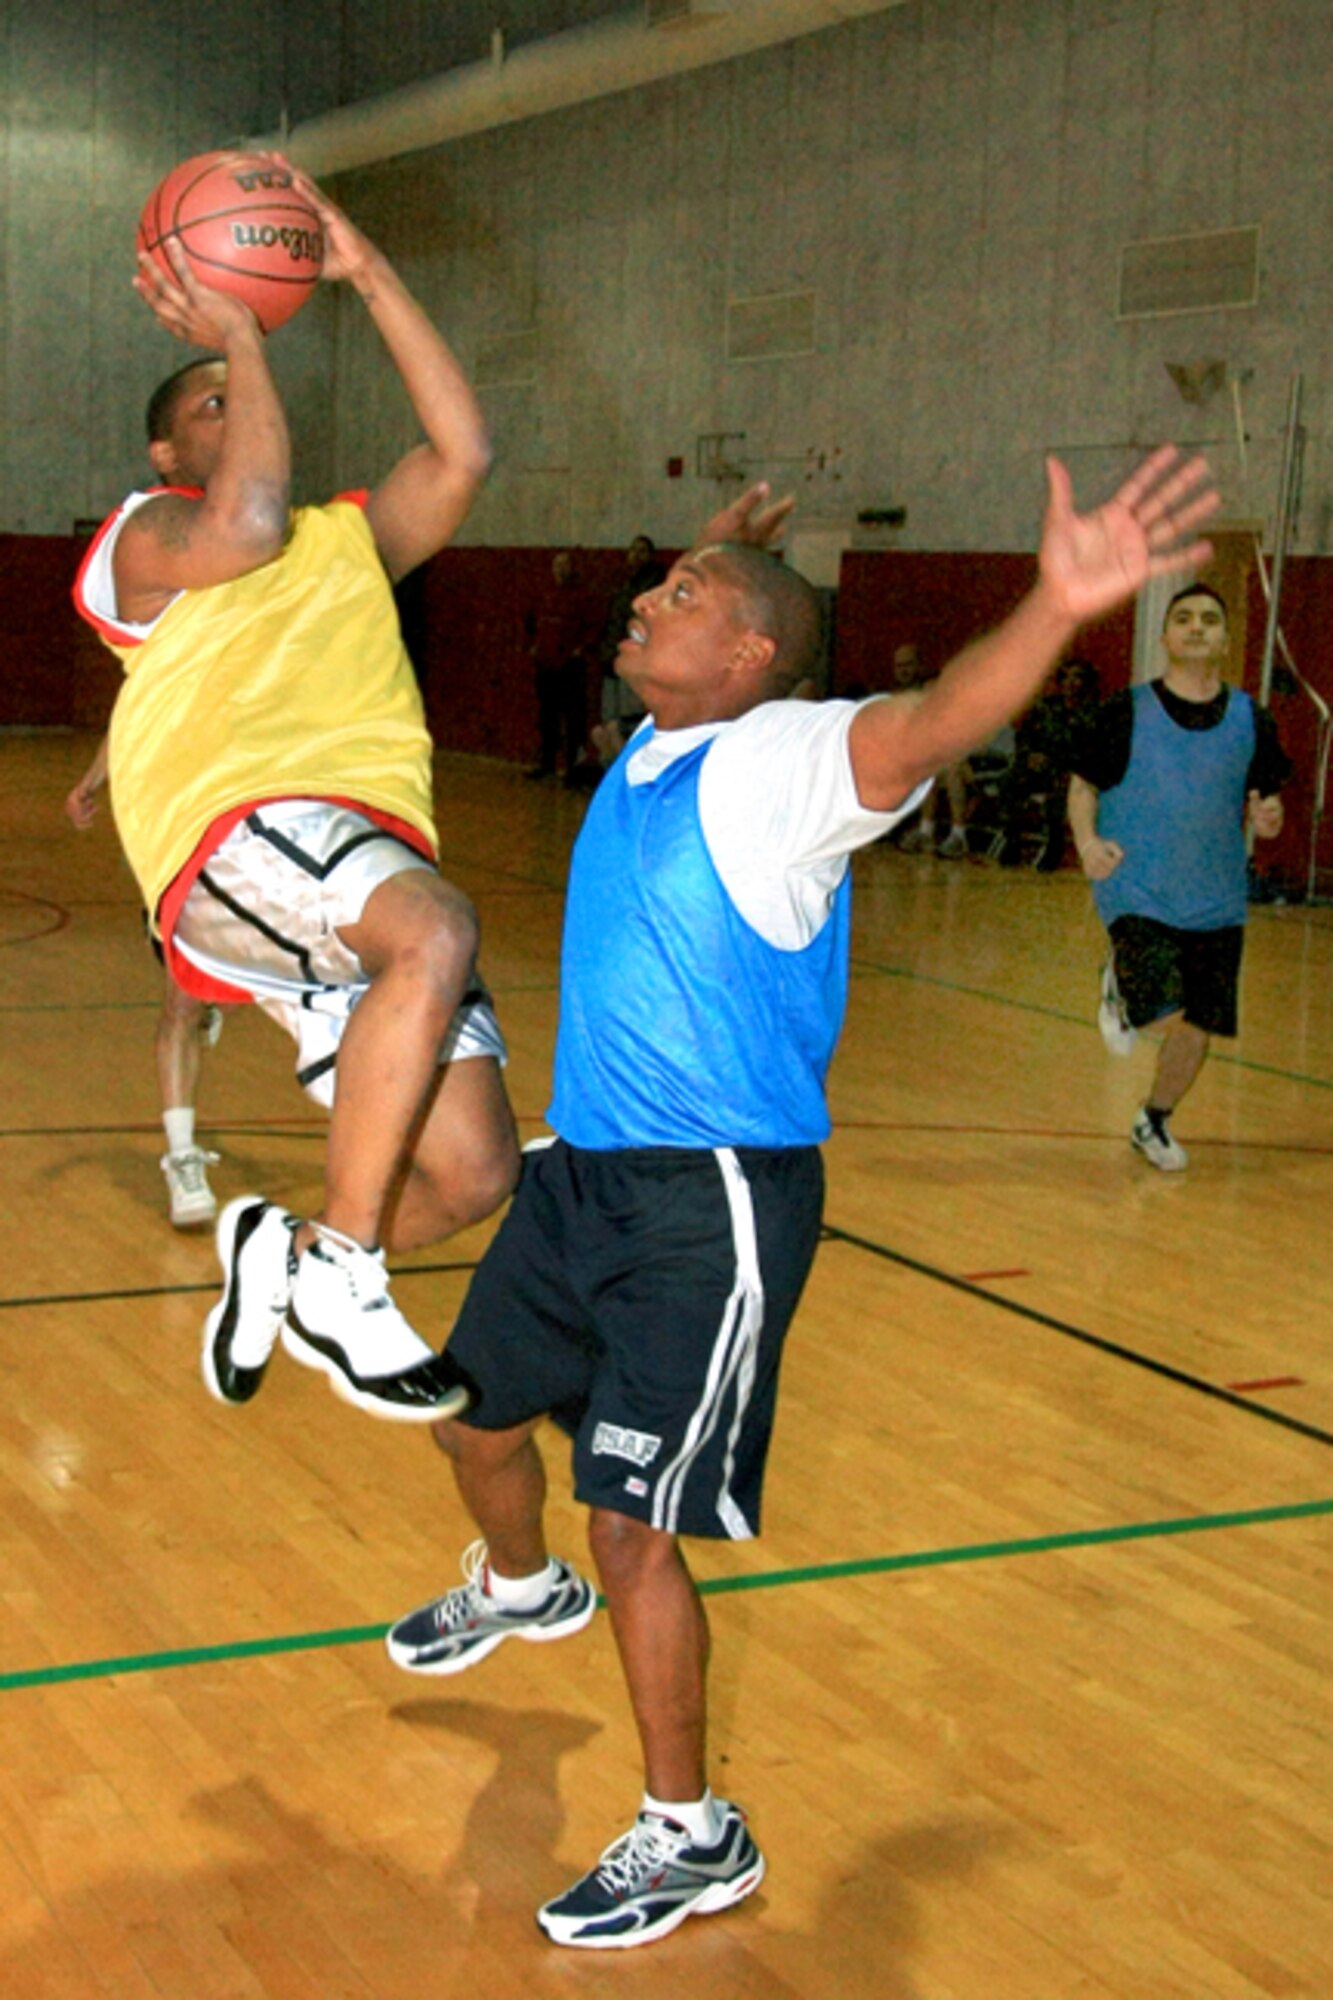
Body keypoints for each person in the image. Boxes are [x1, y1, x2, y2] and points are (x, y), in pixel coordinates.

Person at [383, 448, 1218, 1949]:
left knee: (631, 1524)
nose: (648, 600)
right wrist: (711, 555)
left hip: (707, 1206)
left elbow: (934, 719)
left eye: (681, 594)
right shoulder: (665, 741)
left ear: (754, 656)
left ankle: (691, 1834)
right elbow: (715, 638)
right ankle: (516, 1586)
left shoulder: (784, 768)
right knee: (471, 1417)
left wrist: (1055, 604)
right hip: (585, 1174)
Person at [71, 158, 519, 1419]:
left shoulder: (347, 537)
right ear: (167, 447)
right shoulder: (143, 537)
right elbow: (248, 518)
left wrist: (366, 273)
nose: (240, 397)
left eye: (243, 385)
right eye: (213, 398)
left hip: (348, 857)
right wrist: (237, 326)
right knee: (435, 924)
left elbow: (464, 446)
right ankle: (351, 1277)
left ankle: (287, 1251)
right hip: (243, 830)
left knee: (476, 1170)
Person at [1068, 582, 1289, 1171]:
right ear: (1164, 637)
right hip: (1135, 887)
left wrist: (1268, 816)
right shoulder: (1126, 711)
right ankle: (1119, 979)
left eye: (1210, 620)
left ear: (1224, 639)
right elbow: (1083, 784)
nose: (1197, 627)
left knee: (1199, 1028)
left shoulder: (1251, 719)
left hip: (1216, 896)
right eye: (1184, 618)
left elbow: (1267, 801)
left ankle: (1154, 1119)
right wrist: (1088, 841)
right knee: (1165, 1010)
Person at [66, 734, 226, 1227]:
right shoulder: (170, 664)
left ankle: (219, 992)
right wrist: (91, 780)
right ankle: (183, 1159)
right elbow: (133, 712)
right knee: (182, 1003)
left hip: (250, 836)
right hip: (176, 849)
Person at [994, 655, 1101, 869]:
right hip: (1039, 767)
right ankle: (1013, 840)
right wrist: (1029, 755)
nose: (1071, 683)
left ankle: (1055, 845)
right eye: (1066, 678)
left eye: (1077, 678)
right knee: (1010, 781)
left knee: (1060, 791)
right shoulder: (1045, 707)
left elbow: (1094, 751)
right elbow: (1024, 737)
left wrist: (1059, 761)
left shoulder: (1096, 713)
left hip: (1070, 772)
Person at [889, 644, 972, 857]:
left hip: (957, 757)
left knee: (947, 765)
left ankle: (957, 835)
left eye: (908, 664)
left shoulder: (934, 689)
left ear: (919, 665)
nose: (904, 670)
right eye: (899, 666)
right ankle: (924, 830)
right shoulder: (892, 699)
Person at [590, 532, 667, 760]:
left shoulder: (654, 587)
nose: (635, 556)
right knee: (606, 727)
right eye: (632, 550)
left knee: (626, 726)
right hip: (613, 661)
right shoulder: (624, 585)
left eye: (641, 551)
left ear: (651, 556)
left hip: (634, 665)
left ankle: (631, 775)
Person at [525, 550, 596, 784]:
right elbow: (532, 622)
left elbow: (592, 626)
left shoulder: (582, 595)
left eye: (565, 565)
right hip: (546, 664)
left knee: (573, 716)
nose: (561, 570)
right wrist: (534, 646)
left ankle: (571, 766)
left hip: (570, 665)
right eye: (557, 565)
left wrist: (580, 648)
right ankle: (547, 762)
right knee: (547, 716)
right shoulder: (545, 594)